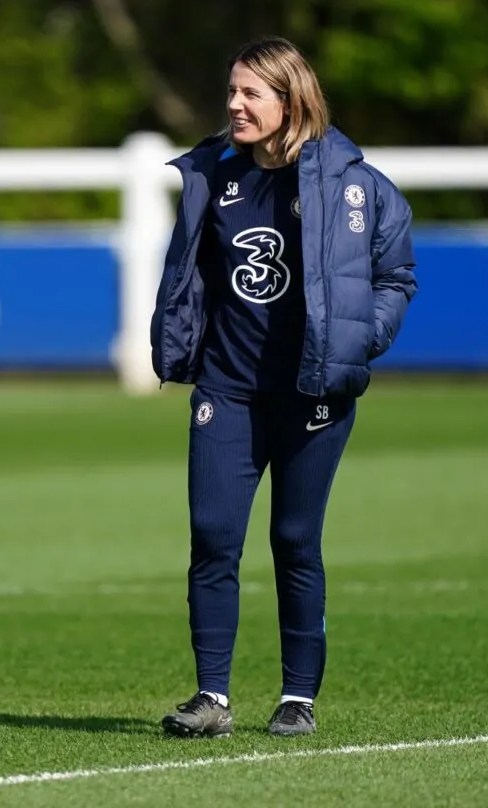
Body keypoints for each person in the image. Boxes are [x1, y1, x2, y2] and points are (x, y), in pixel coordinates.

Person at [151, 37, 417, 739]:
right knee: (213, 538)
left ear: (290, 101)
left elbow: (396, 275)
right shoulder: (213, 172)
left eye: (250, 94)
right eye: (231, 92)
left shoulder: (355, 182)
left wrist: (361, 340)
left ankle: (298, 697)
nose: (234, 105)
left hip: (314, 394)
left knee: (295, 540)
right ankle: (212, 698)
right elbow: (189, 275)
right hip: (227, 389)